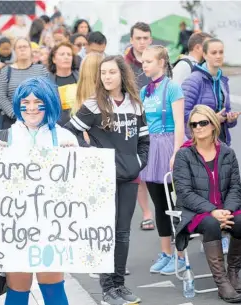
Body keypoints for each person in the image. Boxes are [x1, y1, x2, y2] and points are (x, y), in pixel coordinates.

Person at [65, 55, 148, 305]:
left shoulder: (135, 104)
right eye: (103, 73)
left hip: (129, 179)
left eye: (112, 72)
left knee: (122, 233)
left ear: (122, 74)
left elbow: (144, 141)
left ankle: (120, 285)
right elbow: (71, 131)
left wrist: (139, 163)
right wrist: (91, 154)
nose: (107, 77)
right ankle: (107, 289)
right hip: (103, 179)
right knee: (106, 232)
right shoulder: (93, 104)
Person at [0, 77, 78, 305]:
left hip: (51, 225)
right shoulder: (3, 137)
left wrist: (75, 159)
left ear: (49, 103)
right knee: (17, 290)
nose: (30, 108)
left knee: (53, 289)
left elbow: (78, 188)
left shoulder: (65, 137)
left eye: (37, 101)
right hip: (15, 226)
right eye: (25, 102)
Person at [173, 105, 241, 303]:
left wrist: (226, 210)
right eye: (193, 124)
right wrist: (213, 211)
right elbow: (184, 193)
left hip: (225, 208)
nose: (198, 127)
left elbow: (235, 186)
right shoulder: (184, 155)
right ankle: (222, 283)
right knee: (210, 224)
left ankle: (233, 272)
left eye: (203, 122)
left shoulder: (227, 153)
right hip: (196, 212)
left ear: (213, 124)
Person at [140, 45, 186, 275]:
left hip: (169, 145)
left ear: (161, 62)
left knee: (174, 204)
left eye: (148, 61)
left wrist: (177, 151)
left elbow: (179, 123)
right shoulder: (144, 91)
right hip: (151, 148)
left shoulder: (173, 88)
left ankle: (181, 256)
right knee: (159, 204)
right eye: (143, 61)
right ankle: (166, 253)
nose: (144, 64)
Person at [182, 38, 241, 147]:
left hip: (221, 141)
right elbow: (182, 113)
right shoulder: (193, 80)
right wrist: (211, 119)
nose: (218, 56)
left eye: (221, 52)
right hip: (200, 143)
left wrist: (230, 119)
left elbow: (225, 113)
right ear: (204, 55)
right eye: (214, 53)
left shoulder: (223, 81)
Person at [124, 22, 154, 231]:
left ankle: (171, 211)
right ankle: (147, 213)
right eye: (138, 38)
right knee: (139, 171)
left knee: (164, 171)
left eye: (146, 38)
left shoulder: (160, 59)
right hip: (134, 122)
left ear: (150, 39)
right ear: (131, 40)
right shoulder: (124, 64)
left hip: (159, 123)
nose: (142, 42)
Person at [0, 38, 49, 132]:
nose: (22, 49)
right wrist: (16, 115)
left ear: (30, 50)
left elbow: (48, 93)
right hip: (11, 121)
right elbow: (1, 96)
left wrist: (39, 114)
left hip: (38, 119)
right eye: (19, 47)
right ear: (14, 51)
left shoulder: (41, 70)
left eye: (25, 46)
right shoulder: (6, 71)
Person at [47, 42, 78, 126]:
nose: (66, 57)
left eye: (69, 54)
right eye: (62, 54)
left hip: (80, 126)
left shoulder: (81, 78)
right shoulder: (46, 82)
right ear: (54, 59)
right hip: (56, 126)